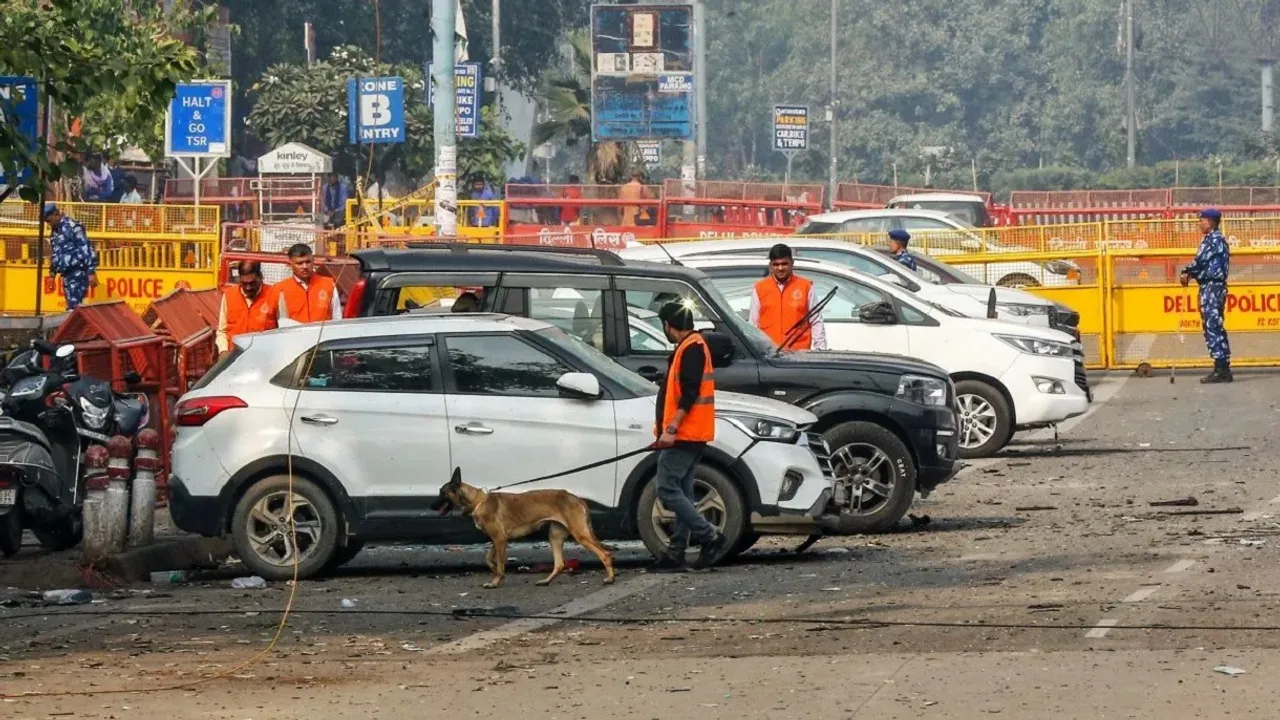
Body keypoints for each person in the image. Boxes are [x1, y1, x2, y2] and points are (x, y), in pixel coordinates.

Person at [648, 302, 728, 573]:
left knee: (666, 488)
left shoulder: (691, 348)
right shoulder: (690, 346)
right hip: (690, 433)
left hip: (684, 434)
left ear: (669, 325)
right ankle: (676, 551)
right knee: (682, 491)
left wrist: (670, 430)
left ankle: (710, 536)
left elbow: (689, 393)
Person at [1181, 208, 1232, 383]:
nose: (1199, 223)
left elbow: (1200, 261)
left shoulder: (1213, 240)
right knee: (1214, 325)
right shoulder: (1214, 239)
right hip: (1211, 286)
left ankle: (1221, 369)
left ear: (1209, 222)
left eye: (1201, 220)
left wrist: (1187, 272)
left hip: (1212, 286)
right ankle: (1222, 366)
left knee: (1213, 326)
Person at [749, 243, 828, 351]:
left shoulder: (805, 286)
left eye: (784, 264)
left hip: (800, 354)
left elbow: (816, 321)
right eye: (776, 264)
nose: (780, 268)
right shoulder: (759, 288)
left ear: (792, 263)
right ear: (770, 265)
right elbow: (753, 324)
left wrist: (820, 349)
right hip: (769, 355)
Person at [44, 203, 99, 310]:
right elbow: (55, 253)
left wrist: (91, 272)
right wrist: (52, 274)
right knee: (73, 306)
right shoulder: (55, 230)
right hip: (66, 274)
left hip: (77, 272)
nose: (49, 224)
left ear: (56, 214)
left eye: (49, 221)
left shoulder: (73, 227)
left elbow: (85, 248)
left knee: (74, 308)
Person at [216, 261, 277, 354]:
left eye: (252, 283)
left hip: (264, 357)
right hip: (234, 356)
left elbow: (282, 330)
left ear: (260, 277)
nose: (248, 288)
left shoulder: (274, 294)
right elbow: (222, 331)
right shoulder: (229, 295)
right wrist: (223, 351)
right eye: (244, 283)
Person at [273, 243, 343, 324]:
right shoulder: (280, 289)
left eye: (308, 262)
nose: (305, 266)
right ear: (290, 264)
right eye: (300, 263)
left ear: (313, 261)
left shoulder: (328, 284)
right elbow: (280, 321)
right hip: (296, 335)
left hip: (325, 335)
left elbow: (337, 316)